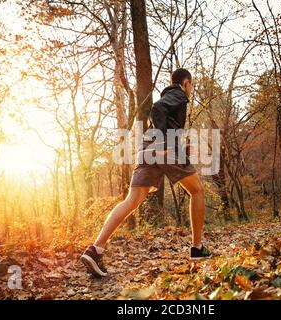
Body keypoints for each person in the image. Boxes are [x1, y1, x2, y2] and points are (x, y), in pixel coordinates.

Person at [81, 68, 212, 277]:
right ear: (186, 83)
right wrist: (165, 145)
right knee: (197, 191)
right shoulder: (178, 95)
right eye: (192, 85)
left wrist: (176, 147)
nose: (191, 89)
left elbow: (163, 119)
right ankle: (197, 248)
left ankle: (95, 249)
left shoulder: (169, 95)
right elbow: (158, 109)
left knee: (132, 200)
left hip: (147, 147)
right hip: (162, 147)